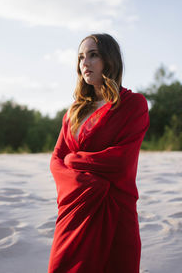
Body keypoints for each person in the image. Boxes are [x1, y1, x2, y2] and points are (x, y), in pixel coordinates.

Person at [48, 33, 150, 273]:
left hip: (116, 214)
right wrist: (83, 181)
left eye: (93, 55)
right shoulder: (73, 111)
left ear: (109, 60)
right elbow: (55, 161)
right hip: (74, 213)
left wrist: (73, 159)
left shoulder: (133, 105)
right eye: (81, 57)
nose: (85, 62)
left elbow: (121, 159)